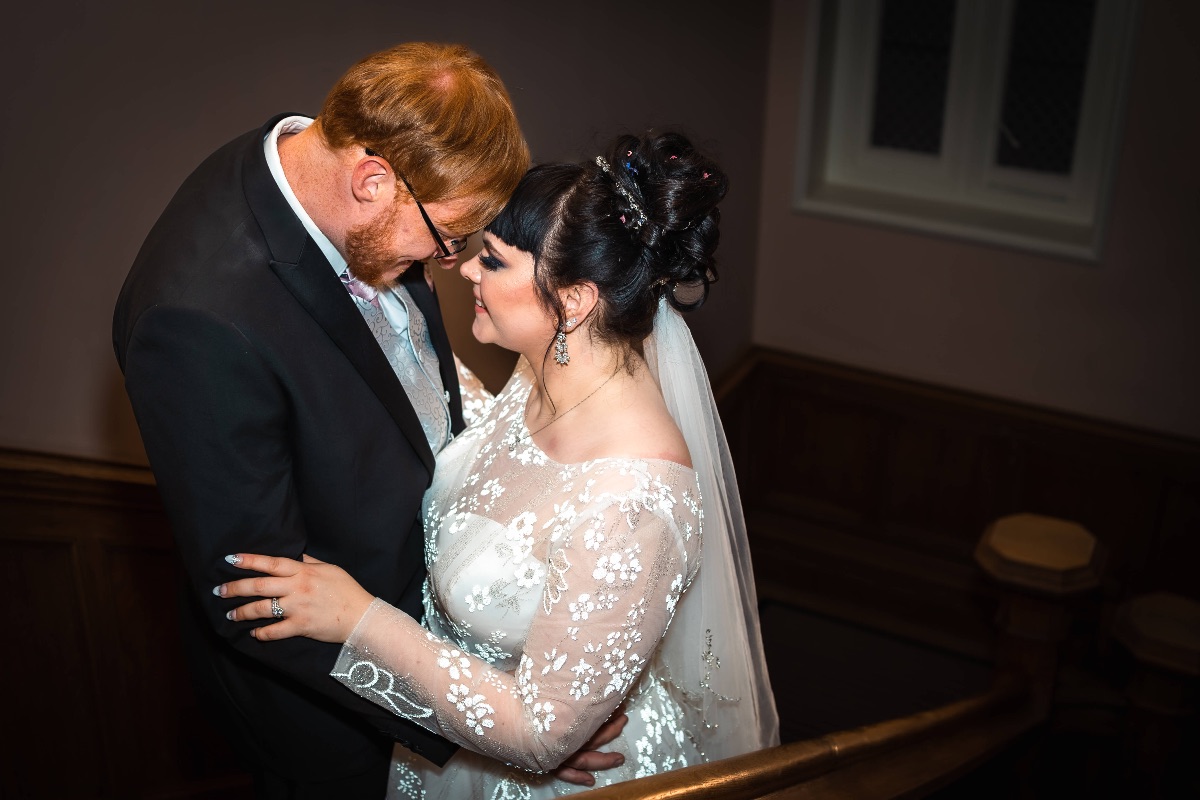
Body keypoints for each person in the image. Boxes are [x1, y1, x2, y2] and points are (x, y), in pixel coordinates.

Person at [112, 42, 622, 798]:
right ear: (372, 180)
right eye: (448, 237)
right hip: (335, 723)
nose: (451, 265)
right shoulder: (196, 324)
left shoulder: (315, 170)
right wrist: (486, 725)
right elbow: (257, 601)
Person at [216, 131, 781, 797]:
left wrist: (357, 620)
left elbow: (543, 733)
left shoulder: (636, 499)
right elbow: (462, 419)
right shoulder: (543, 377)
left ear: (573, 300)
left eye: (495, 260)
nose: (466, 272)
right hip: (450, 750)